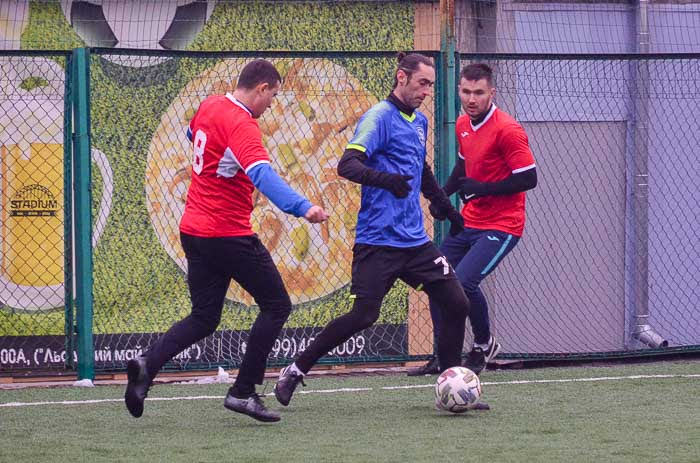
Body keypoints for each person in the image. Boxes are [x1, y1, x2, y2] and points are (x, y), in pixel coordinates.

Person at [124, 59, 329, 422]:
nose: (272, 105)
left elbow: (193, 137)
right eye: (273, 96)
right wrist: (304, 207)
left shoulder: (211, 105)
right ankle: (243, 391)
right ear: (262, 88)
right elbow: (263, 176)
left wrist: (223, 167)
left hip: (194, 231)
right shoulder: (242, 125)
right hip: (227, 234)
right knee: (276, 305)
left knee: (204, 317)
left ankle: (147, 364)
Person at [273, 52, 471, 407]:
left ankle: (450, 388)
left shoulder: (418, 121)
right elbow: (347, 164)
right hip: (377, 241)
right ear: (401, 77)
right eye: (422, 83)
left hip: (414, 242)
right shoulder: (378, 117)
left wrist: (440, 202)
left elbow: (419, 166)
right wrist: (388, 181)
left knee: (456, 302)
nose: (426, 91)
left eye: (430, 85)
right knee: (364, 316)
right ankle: (296, 370)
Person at [407, 63, 537, 377]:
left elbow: (528, 178)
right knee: (436, 282)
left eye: (478, 92)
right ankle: (443, 354)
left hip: (502, 225)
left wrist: (483, 189)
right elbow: (463, 167)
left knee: (463, 282)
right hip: (469, 222)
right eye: (465, 91)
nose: (471, 98)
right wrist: (442, 197)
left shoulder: (508, 129)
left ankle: (483, 344)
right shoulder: (463, 124)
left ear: (491, 93)